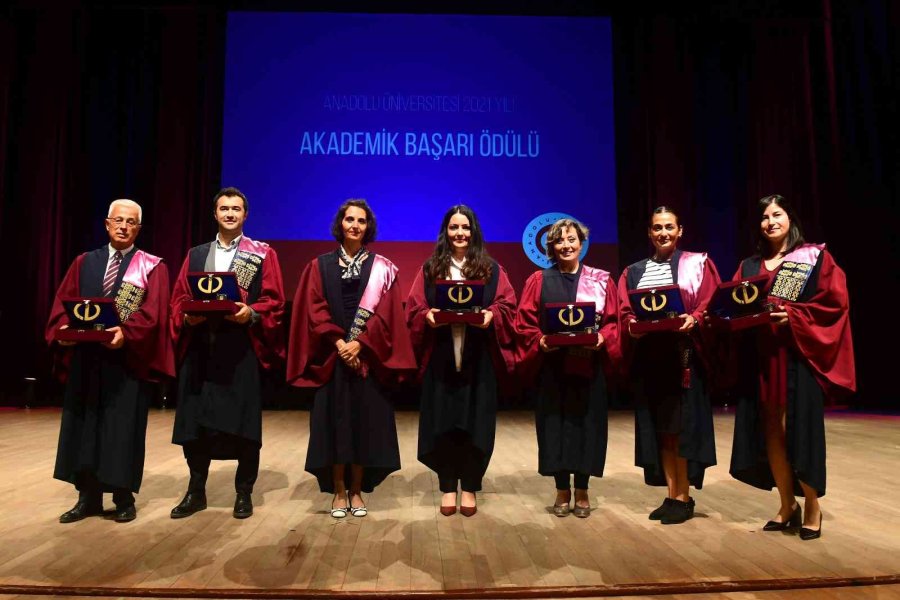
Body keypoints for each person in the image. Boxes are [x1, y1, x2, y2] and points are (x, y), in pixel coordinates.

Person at [727, 194, 855, 540]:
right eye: (765, 217)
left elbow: (834, 303)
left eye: (777, 214)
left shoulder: (813, 258)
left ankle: (812, 506)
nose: (770, 221)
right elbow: (736, 306)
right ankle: (787, 505)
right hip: (763, 357)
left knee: (799, 430)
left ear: (790, 218)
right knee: (770, 429)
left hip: (798, 354)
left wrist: (794, 315)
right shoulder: (749, 267)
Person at [46, 199, 174, 523]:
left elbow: (154, 312)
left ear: (138, 229)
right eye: (118, 220)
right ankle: (87, 497)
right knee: (85, 426)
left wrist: (126, 333)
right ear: (107, 224)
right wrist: (61, 330)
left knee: (122, 430)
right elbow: (63, 302)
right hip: (86, 361)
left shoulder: (152, 267)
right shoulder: (84, 262)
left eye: (131, 222)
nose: (123, 226)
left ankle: (123, 497)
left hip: (126, 362)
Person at [287, 199, 415, 518]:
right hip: (332, 357)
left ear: (368, 227)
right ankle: (339, 490)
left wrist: (361, 344)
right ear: (340, 224)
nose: (355, 225)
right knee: (335, 425)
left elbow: (387, 315)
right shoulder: (319, 266)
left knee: (363, 425)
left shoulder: (382, 268)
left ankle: (357, 491)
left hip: (367, 360)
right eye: (349, 219)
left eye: (361, 221)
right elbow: (314, 309)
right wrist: (340, 343)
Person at [169, 187, 285, 519]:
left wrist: (252, 313)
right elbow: (178, 297)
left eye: (236, 209)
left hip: (240, 350)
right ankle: (196, 491)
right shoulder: (195, 254)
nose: (230, 214)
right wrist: (186, 315)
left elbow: (274, 301)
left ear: (245, 215)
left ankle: (243, 493)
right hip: (201, 349)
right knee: (195, 426)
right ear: (215, 214)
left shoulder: (263, 254)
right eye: (224, 209)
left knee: (244, 427)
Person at [406, 205, 517, 517]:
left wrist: (491, 315)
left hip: (478, 359)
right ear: (446, 231)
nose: (459, 233)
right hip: (441, 357)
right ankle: (446, 486)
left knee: (475, 424)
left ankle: (469, 486)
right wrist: (426, 315)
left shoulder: (490, 269)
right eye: (454, 227)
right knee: (443, 423)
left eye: (465, 227)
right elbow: (414, 307)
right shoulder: (431, 269)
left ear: (474, 231)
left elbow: (508, 304)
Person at [618, 206, 719, 524]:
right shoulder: (633, 271)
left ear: (680, 231)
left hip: (682, 356)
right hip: (650, 357)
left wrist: (696, 318)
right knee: (661, 429)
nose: (663, 232)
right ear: (649, 233)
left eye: (669, 227)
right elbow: (624, 309)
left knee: (681, 427)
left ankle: (684, 497)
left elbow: (709, 302)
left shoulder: (697, 264)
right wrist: (631, 323)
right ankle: (671, 492)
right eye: (657, 227)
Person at [515, 218, 619, 518]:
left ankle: (583, 490)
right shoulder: (539, 280)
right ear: (551, 246)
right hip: (553, 369)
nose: (566, 245)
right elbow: (525, 324)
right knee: (555, 428)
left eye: (571, 239)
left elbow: (613, 322)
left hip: (588, 367)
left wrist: (602, 337)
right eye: (559, 241)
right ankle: (562, 489)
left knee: (587, 426)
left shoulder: (600, 281)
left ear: (581, 242)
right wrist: (540, 341)